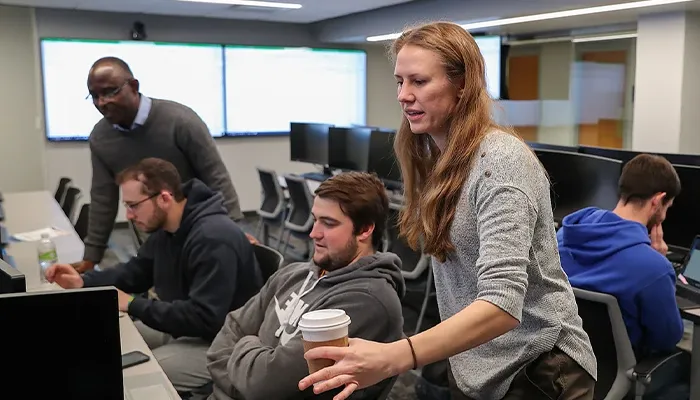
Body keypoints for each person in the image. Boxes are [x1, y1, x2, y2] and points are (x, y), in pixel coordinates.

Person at [298, 21, 597, 400]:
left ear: (462, 85)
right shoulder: (436, 158)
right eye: (399, 82)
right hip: (474, 361)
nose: (404, 95)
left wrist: (396, 356)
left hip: (537, 365)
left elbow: (503, 304)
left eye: (419, 82)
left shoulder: (500, 162)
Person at [46, 157, 263, 395]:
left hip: (222, 344)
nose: (128, 215)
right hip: (187, 328)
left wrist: (131, 304)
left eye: (133, 205)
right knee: (102, 336)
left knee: (132, 377)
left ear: (164, 198)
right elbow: (135, 273)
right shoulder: (170, 229)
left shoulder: (213, 238)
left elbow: (205, 317)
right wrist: (84, 282)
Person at [206, 172, 405, 400]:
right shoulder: (294, 273)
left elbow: (266, 387)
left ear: (365, 230)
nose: (313, 233)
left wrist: (245, 343)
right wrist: (246, 376)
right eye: (315, 219)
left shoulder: (366, 302)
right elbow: (224, 339)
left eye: (328, 224)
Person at [74, 56, 244, 273]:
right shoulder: (101, 137)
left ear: (133, 87)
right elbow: (102, 198)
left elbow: (216, 177)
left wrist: (235, 230)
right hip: (150, 234)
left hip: (199, 230)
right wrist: (92, 256)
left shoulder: (180, 121)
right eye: (95, 96)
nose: (101, 103)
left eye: (109, 92)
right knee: (158, 289)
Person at [557, 154, 688, 399]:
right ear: (658, 200)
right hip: (614, 379)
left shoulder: (563, 237)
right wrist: (661, 263)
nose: (666, 216)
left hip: (561, 368)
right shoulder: (652, 268)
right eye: (668, 208)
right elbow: (667, 338)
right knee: (688, 367)